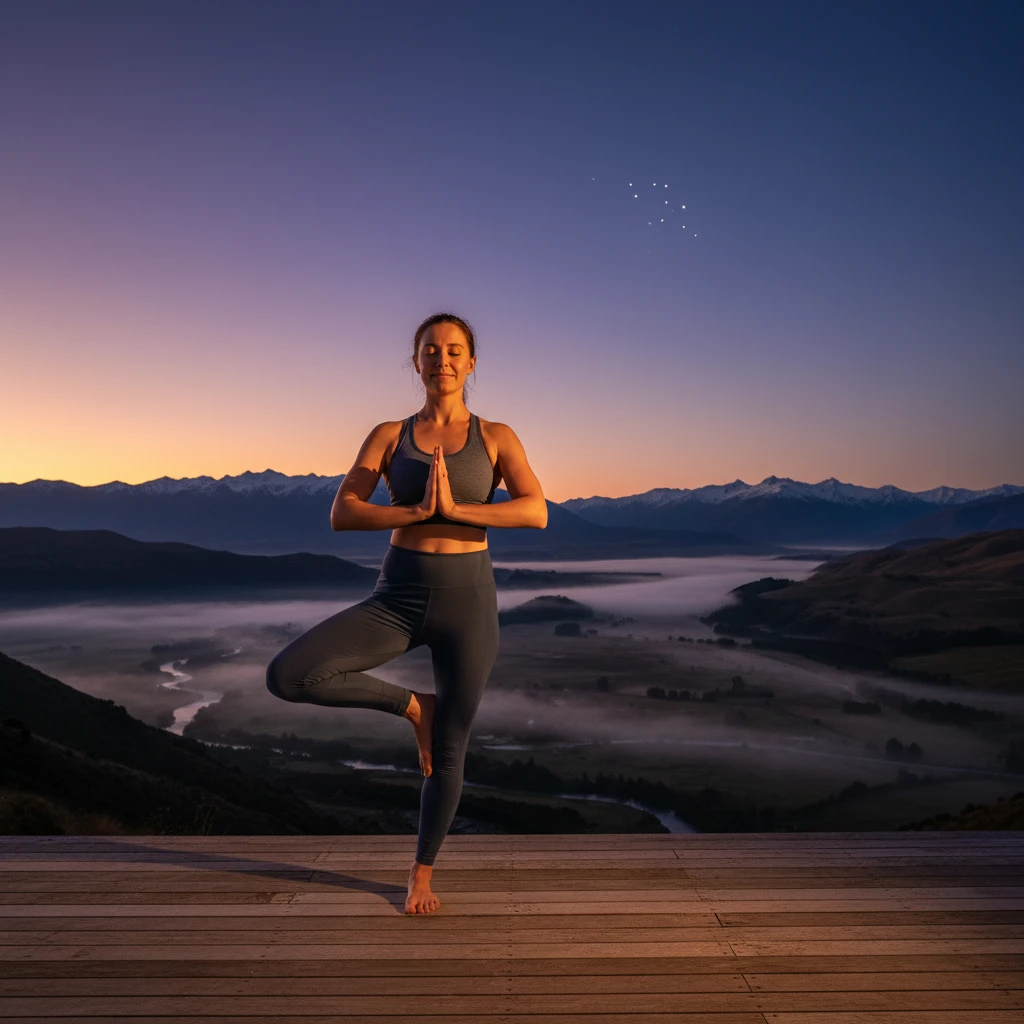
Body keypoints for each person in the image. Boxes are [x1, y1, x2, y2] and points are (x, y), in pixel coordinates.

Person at [265, 312, 547, 914]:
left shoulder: (496, 436)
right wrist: (418, 513)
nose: (441, 360)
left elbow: (535, 510)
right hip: (398, 597)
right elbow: (344, 511)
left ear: (471, 363)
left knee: (450, 751)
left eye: (454, 351)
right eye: (430, 351)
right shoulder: (389, 435)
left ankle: (421, 873)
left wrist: (461, 510)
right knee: (289, 675)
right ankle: (413, 706)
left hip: (469, 602)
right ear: (415, 362)